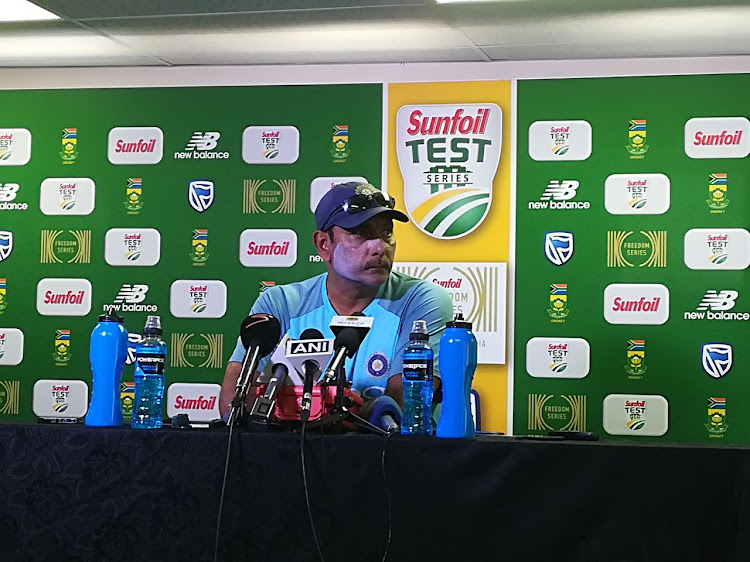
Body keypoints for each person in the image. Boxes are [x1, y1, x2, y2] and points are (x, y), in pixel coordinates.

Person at [219, 181, 453, 419]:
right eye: (360, 233)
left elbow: (401, 408)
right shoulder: (280, 304)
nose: (380, 247)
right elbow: (232, 405)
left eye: (387, 232)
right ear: (324, 244)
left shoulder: (422, 300)